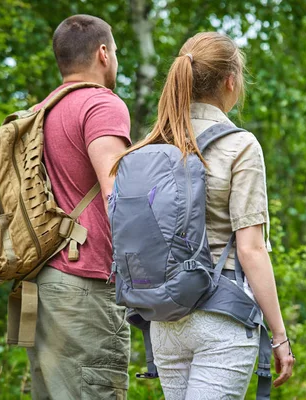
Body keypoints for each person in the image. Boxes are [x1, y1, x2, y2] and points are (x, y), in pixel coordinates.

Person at [112, 32, 295, 399]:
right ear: (231, 81)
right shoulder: (240, 145)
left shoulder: (156, 142)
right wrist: (279, 334)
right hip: (222, 317)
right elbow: (251, 250)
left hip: (165, 318)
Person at [26, 14, 131, 399]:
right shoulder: (102, 105)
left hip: (44, 283)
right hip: (84, 285)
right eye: (116, 52)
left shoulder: (40, 111)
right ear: (103, 53)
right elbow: (118, 195)